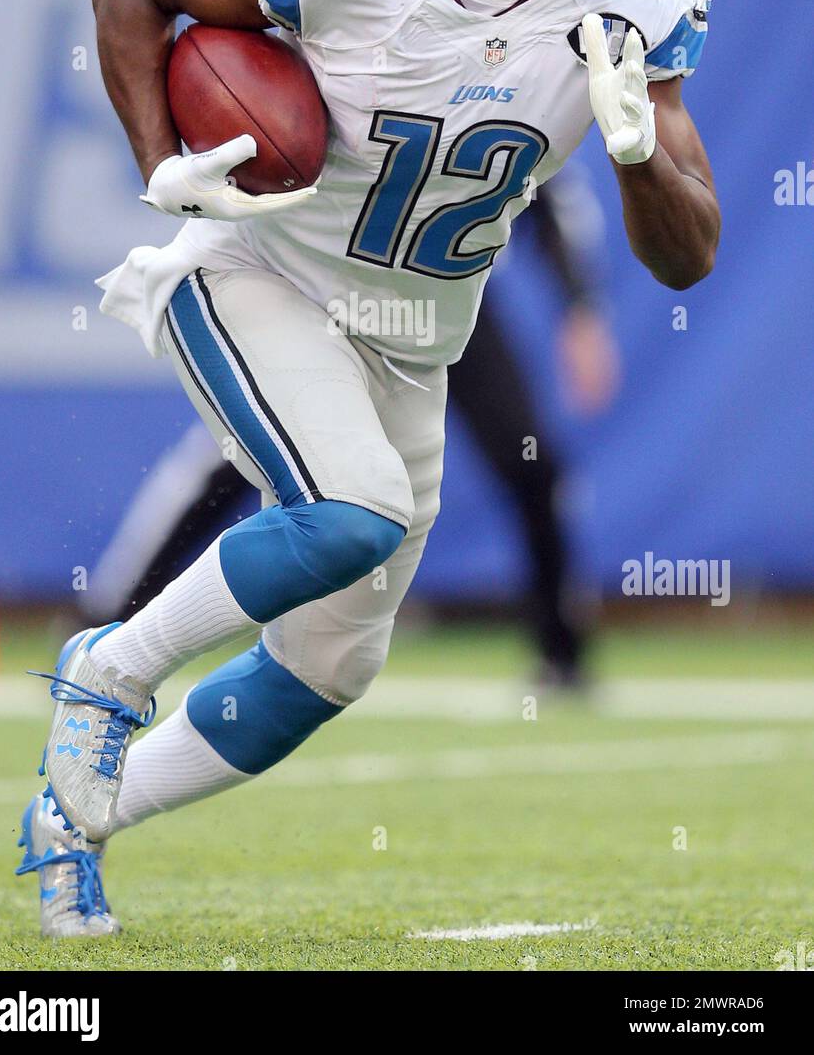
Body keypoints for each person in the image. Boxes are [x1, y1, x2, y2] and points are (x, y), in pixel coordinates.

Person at [15, 0, 719, 936]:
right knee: (352, 515)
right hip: (258, 276)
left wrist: (633, 159)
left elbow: (687, 254)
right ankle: (110, 665)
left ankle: (77, 820)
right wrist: (156, 161)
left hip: (417, 330)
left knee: (333, 664)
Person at [83, 173, 619, 686]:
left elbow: (543, 182)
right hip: (329, 282)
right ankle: (111, 620)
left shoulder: (503, 80)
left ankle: (561, 650)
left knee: (530, 463)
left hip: (447, 296)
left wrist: (580, 307)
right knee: (238, 457)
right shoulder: (345, 76)